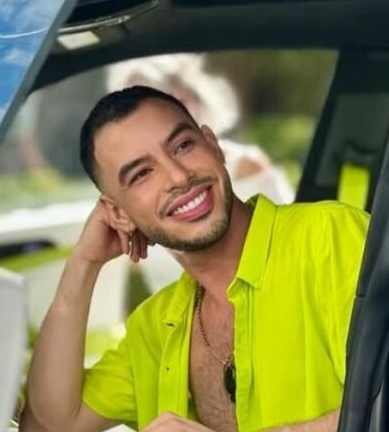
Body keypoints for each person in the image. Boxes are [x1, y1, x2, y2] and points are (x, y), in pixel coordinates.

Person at [0, 86, 369, 432]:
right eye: (142, 174)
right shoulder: (159, 321)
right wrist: (83, 267)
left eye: (182, 146)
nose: (178, 177)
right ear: (119, 214)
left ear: (213, 146)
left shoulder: (327, 237)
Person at [108, 53, 294, 292]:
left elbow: (284, 248)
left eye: (171, 99)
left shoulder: (247, 165)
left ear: (196, 100)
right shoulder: (135, 197)